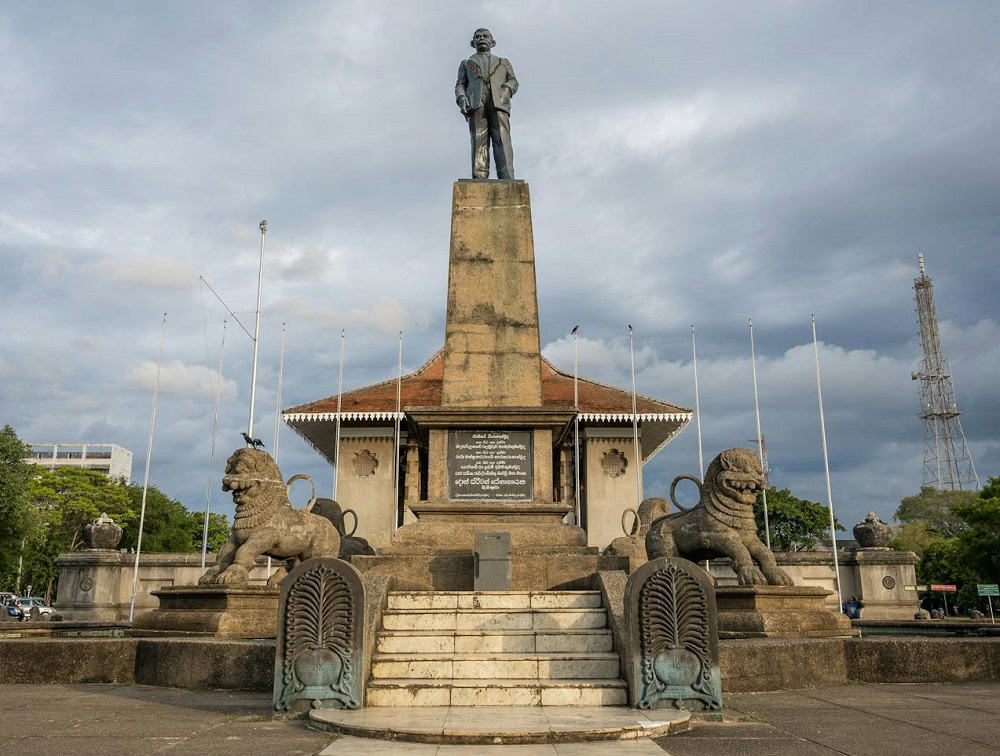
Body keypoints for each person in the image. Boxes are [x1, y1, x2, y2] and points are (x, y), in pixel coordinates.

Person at [455, 28, 519, 179]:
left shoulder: (503, 62)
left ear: (492, 42)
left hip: (498, 103)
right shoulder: (466, 64)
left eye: (485, 36)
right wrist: (461, 98)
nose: (481, 38)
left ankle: (507, 176)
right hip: (476, 104)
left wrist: (506, 90)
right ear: (473, 43)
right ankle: (479, 175)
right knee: (478, 139)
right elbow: (460, 84)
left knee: (502, 139)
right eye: (477, 37)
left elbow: (513, 81)